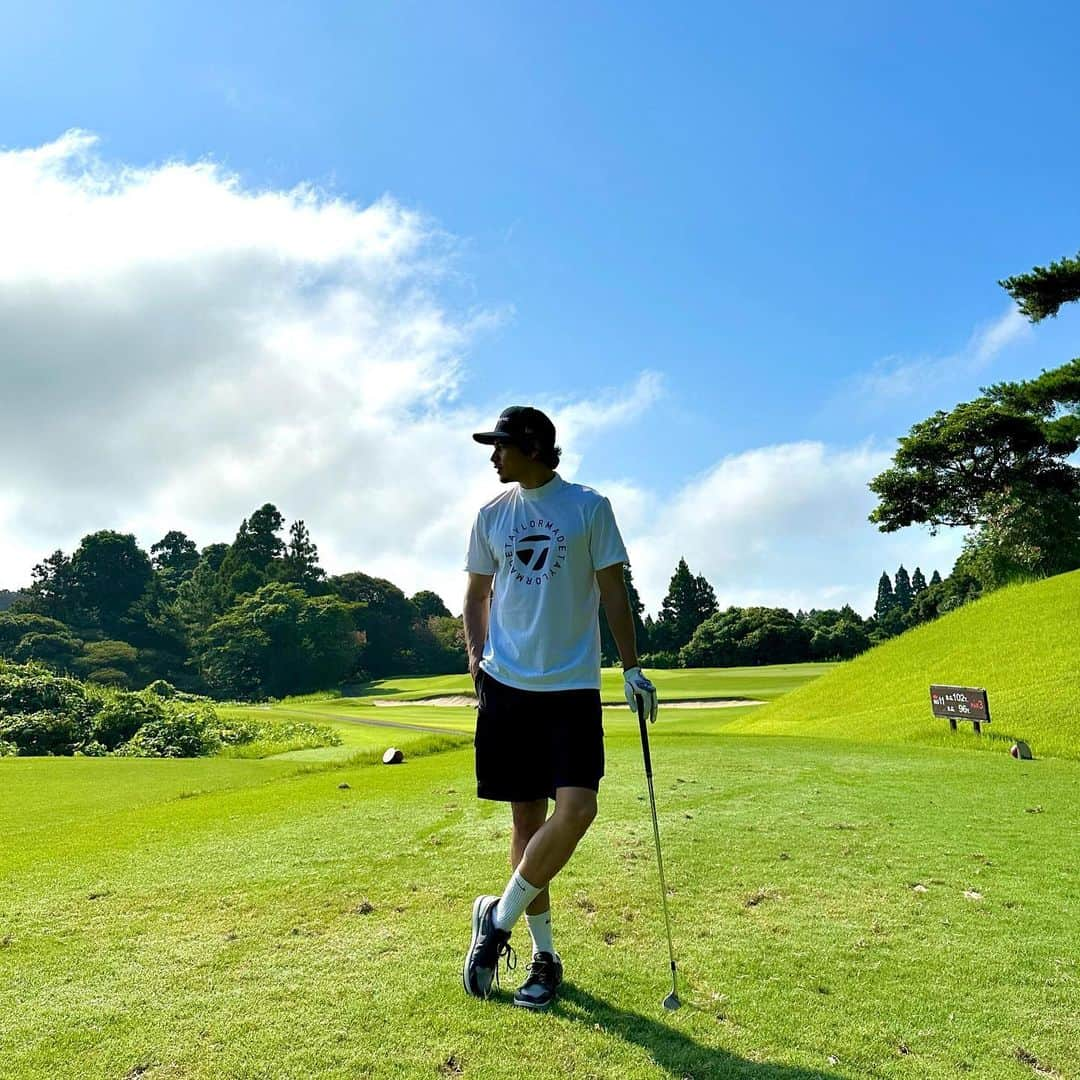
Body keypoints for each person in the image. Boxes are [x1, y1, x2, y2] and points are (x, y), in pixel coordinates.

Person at [461, 405, 658, 1010]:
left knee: (577, 809)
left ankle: (496, 921)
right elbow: (476, 592)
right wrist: (475, 656)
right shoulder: (491, 514)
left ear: (533, 447)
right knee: (525, 825)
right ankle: (544, 957)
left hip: (571, 687)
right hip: (508, 686)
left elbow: (612, 590)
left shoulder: (588, 507)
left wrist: (630, 665)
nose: (493, 456)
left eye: (501, 446)